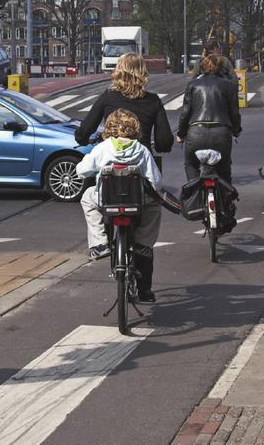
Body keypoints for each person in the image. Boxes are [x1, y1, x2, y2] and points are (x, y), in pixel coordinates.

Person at [76, 108, 161, 303]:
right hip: (136, 201)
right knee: (154, 206)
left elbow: (82, 171)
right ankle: (143, 245)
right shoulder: (141, 149)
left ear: (110, 128)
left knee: (87, 197)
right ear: (134, 129)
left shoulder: (103, 148)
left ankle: (100, 243)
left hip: (107, 200)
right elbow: (156, 182)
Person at [75, 52, 173, 157]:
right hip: (141, 157)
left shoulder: (108, 96)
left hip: (111, 156)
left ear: (118, 72)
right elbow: (164, 140)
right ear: (143, 72)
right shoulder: (153, 100)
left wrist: (82, 139)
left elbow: (86, 128)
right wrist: (161, 146)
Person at [176, 54, 242, 183]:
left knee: (191, 165)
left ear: (202, 68)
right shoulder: (229, 86)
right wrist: (236, 130)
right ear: (222, 69)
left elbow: (185, 112)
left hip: (195, 133)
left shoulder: (193, 84)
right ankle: (226, 199)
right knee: (224, 169)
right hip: (221, 134)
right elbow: (234, 113)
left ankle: (193, 194)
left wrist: (181, 134)